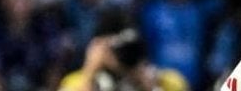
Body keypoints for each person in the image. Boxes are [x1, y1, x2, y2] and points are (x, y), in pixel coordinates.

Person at [58, 28, 189, 91]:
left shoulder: (167, 81)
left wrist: (151, 87)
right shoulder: (77, 81)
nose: (123, 54)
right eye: (115, 50)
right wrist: (90, 71)